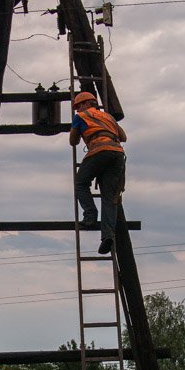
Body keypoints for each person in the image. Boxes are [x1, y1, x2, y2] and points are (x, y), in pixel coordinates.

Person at [69, 91, 126, 254]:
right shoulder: (108, 117)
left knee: (81, 183)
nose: (78, 110)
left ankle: (90, 215)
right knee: (109, 197)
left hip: (99, 151)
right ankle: (108, 236)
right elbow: (123, 137)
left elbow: (73, 141)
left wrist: (78, 129)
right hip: (117, 154)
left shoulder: (81, 116)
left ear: (86, 104)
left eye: (79, 106)